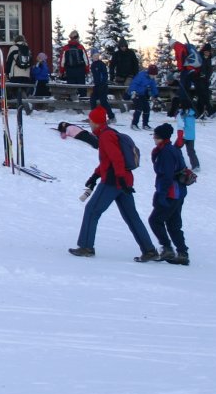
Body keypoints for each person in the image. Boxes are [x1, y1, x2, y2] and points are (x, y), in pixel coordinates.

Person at [69, 106, 159, 261]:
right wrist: (95, 176)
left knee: (92, 210)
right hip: (123, 180)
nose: (89, 122)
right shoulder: (109, 134)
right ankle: (149, 250)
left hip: (113, 181)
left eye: (91, 120)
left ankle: (86, 246)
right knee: (131, 216)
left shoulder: (106, 136)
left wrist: (119, 179)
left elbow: (116, 159)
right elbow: (108, 161)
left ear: (96, 122)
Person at [148, 123, 191, 265]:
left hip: (171, 192)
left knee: (155, 220)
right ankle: (182, 253)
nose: (153, 137)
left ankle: (167, 248)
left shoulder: (165, 152)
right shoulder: (174, 149)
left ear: (160, 137)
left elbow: (167, 175)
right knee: (173, 223)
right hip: (179, 191)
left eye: (155, 135)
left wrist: (162, 194)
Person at [127, 64, 158, 130]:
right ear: (149, 73)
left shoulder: (152, 79)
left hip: (142, 94)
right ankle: (134, 124)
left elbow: (153, 87)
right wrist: (133, 91)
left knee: (147, 108)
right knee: (139, 107)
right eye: (152, 75)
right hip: (135, 93)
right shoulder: (141, 75)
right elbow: (134, 83)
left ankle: (145, 124)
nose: (153, 76)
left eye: (155, 75)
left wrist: (155, 95)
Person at [59, 30, 88, 97]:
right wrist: (86, 70)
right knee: (82, 88)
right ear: (77, 38)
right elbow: (86, 60)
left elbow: (62, 61)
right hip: (80, 71)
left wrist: (61, 71)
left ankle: (72, 103)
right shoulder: (81, 47)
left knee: (71, 89)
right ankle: (82, 102)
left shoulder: (65, 48)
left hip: (70, 71)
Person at [5, 34, 32, 102]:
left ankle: (25, 104)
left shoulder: (13, 48)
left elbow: (9, 61)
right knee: (22, 89)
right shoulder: (27, 48)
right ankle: (24, 104)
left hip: (15, 73)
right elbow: (31, 61)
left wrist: (7, 72)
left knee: (15, 89)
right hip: (26, 74)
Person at [89, 50, 114, 122]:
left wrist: (102, 83)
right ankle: (93, 117)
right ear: (92, 56)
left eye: (97, 55)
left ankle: (111, 117)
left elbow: (104, 75)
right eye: (94, 55)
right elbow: (94, 76)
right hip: (96, 86)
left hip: (102, 86)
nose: (96, 57)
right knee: (92, 100)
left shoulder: (101, 64)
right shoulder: (93, 65)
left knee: (103, 101)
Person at [194, 44, 215, 118]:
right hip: (199, 79)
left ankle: (198, 112)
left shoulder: (208, 59)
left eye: (208, 52)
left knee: (202, 96)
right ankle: (210, 110)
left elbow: (209, 70)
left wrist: (207, 76)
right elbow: (197, 68)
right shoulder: (200, 58)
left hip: (206, 80)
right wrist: (200, 74)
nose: (207, 53)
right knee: (203, 96)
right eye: (206, 51)